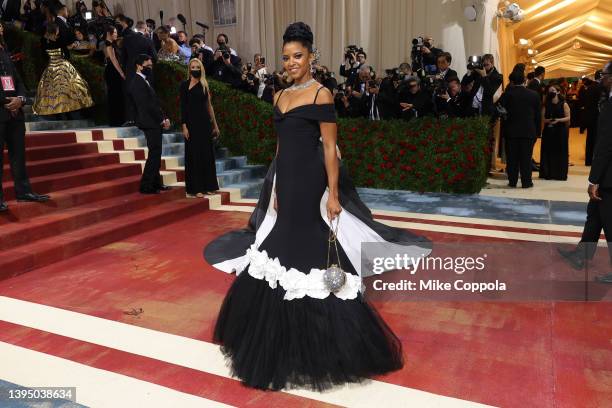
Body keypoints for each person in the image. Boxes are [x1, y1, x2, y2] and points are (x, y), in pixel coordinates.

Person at [210, 21, 431, 392]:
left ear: (311, 56)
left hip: (312, 180)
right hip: (288, 179)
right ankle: (279, 333)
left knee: (312, 248)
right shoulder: (279, 97)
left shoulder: (322, 95)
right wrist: (275, 185)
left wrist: (331, 193)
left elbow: (329, 148)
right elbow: (280, 147)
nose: (291, 62)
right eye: (286, 57)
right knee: (278, 245)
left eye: (298, 56)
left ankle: (325, 338)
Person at [558, 61, 612, 283]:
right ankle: (581, 255)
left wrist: (594, 179)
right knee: (595, 216)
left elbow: (605, 145)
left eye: (604, 75)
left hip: (609, 176)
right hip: (608, 174)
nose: (601, 79)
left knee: (609, 222)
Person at [0, 22, 50, 212]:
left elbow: (17, 79)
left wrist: (20, 99)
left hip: (15, 111)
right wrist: (7, 101)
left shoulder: (4, 51)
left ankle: (23, 191)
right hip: (2, 110)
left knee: (18, 155)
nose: (1, 28)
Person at [127, 54, 171, 194]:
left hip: (153, 121)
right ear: (139, 66)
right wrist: (161, 120)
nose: (150, 68)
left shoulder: (144, 81)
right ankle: (146, 186)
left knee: (156, 153)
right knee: (154, 154)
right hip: (149, 122)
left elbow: (154, 103)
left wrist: (163, 117)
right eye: (148, 65)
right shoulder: (137, 82)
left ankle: (156, 183)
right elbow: (146, 105)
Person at [33, 22, 94, 118]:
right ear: (56, 30)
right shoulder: (60, 40)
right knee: (71, 89)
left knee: (53, 91)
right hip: (63, 65)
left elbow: (44, 57)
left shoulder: (44, 41)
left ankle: (57, 113)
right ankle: (70, 112)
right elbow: (66, 54)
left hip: (51, 67)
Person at [180, 58, 220, 198]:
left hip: (204, 124)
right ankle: (195, 187)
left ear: (201, 69)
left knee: (206, 154)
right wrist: (184, 126)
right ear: (189, 69)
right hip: (191, 124)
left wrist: (215, 125)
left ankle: (209, 186)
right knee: (194, 155)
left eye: (198, 67)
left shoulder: (204, 85)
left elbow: (209, 106)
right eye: (193, 67)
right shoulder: (184, 86)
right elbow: (183, 107)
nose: (195, 69)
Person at [498, 66, 541, 188]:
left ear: (512, 81)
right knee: (526, 158)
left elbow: (497, 108)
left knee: (512, 159)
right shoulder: (534, 95)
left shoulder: (507, 94)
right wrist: (538, 132)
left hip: (511, 131)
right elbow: (538, 116)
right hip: (528, 131)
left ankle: (512, 181)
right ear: (525, 81)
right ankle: (526, 182)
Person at [539, 84, 570, 180]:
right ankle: (548, 173)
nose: (551, 92)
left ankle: (559, 173)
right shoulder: (546, 104)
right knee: (548, 151)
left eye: (553, 90)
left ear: (558, 92)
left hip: (560, 131)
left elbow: (568, 117)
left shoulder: (563, 103)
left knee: (560, 151)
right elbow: (543, 118)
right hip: (549, 130)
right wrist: (549, 121)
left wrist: (558, 120)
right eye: (549, 91)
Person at [104, 25, 125, 126]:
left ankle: (118, 119)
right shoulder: (108, 44)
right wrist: (121, 72)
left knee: (116, 95)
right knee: (115, 95)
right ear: (109, 34)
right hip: (112, 71)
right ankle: (116, 120)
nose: (116, 34)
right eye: (115, 33)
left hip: (113, 70)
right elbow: (113, 60)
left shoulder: (112, 43)